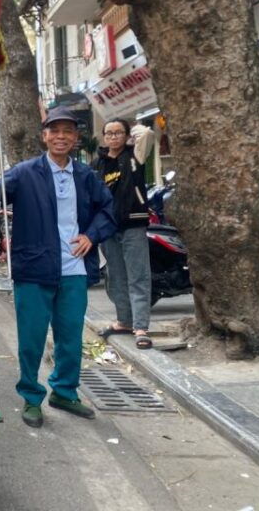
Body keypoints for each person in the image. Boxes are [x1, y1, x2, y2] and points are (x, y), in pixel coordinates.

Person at [0, 106, 116, 428]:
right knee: (31, 338)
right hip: (33, 269)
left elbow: (108, 209)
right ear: (44, 136)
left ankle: (64, 391)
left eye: (67, 131)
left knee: (70, 336)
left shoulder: (86, 176)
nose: (61, 137)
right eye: (54, 131)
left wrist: (92, 235)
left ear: (76, 138)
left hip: (74, 269)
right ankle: (32, 397)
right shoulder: (24, 173)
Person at [93, 119, 155, 349]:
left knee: (138, 276)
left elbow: (147, 133)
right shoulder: (98, 163)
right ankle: (124, 321)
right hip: (108, 227)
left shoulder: (135, 155)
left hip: (133, 224)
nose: (114, 137)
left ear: (127, 135)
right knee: (116, 277)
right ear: (104, 137)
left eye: (119, 132)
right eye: (109, 133)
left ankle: (141, 327)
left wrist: (132, 132)